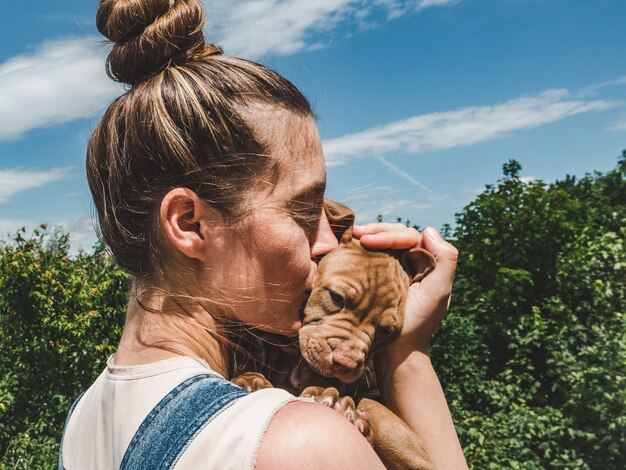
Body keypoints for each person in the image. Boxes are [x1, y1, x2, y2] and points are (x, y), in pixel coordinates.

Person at [60, 0, 468, 468]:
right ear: (190, 224)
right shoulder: (302, 443)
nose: (329, 243)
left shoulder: (85, 420)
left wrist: (399, 337)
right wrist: (410, 356)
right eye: (303, 210)